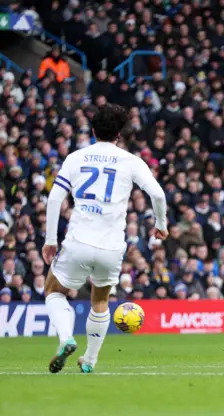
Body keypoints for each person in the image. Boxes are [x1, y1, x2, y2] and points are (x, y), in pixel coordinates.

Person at [43, 103, 168, 374]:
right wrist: (161, 224)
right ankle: (89, 360)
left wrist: (50, 239)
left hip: (78, 241)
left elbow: (54, 199)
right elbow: (157, 194)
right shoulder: (131, 161)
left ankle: (66, 338)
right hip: (111, 247)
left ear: (92, 130)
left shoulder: (76, 157)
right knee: (100, 301)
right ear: (119, 134)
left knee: (54, 290)